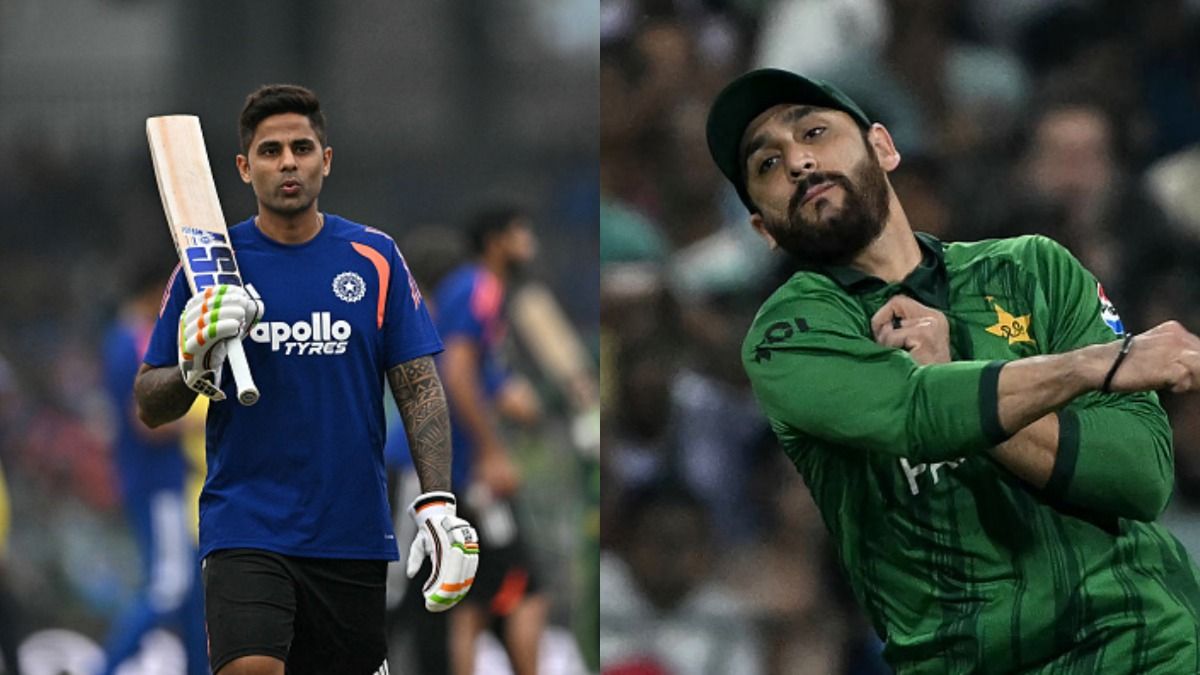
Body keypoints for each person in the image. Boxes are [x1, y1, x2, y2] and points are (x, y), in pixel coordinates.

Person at [705, 68, 1200, 672]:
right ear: (764, 229)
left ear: (883, 148)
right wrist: (1094, 364)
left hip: (1146, 642)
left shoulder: (1034, 269)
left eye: (814, 132)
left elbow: (1141, 475)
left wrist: (964, 378)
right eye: (768, 165)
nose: (799, 162)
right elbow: (916, 412)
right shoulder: (791, 336)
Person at [133, 84, 479, 675]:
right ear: (244, 168)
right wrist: (193, 368)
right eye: (270, 151)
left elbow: (419, 386)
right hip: (246, 525)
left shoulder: (375, 258)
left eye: (301, 147)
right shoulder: (209, 267)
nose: (287, 161)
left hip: (352, 533)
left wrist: (438, 502)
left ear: (326, 159)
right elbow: (148, 402)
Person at [433, 205, 547, 675]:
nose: (531, 241)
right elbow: (455, 373)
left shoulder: (484, 292)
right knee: (525, 590)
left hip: (457, 467)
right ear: (498, 240)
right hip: (469, 471)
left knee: (472, 595)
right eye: (522, 230)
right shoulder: (478, 287)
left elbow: (477, 371)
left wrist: (504, 392)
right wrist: (493, 453)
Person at [98, 269, 207, 675]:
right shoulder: (132, 341)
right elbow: (145, 420)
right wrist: (196, 422)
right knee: (169, 586)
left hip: (165, 481)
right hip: (156, 483)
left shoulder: (124, 338)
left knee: (194, 593)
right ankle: (103, 668)